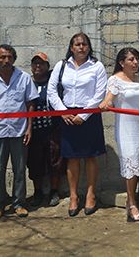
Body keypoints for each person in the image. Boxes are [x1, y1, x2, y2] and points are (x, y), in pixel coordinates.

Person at [47, 32, 107, 217]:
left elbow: (100, 93)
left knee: (90, 157)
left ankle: (90, 194)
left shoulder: (97, 66)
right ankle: (73, 196)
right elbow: (51, 90)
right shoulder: (62, 65)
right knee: (72, 158)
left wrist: (84, 115)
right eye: (77, 44)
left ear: (89, 47)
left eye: (84, 44)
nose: (81, 47)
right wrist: (63, 111)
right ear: (71, 47)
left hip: (89, 116)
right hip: (67, 115)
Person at [0, 44, 39, 220]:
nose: (6, 60)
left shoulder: (24, 78)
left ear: (14, 59)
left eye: (10, 57)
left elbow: (30, 104)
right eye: (2, 57)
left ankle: (19, 203)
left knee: (19, 169)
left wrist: (29, 128)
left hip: (19, 131)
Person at [100, 47, 139, 222]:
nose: (135, 62)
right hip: (126, 129)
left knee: (136, 167)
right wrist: (105, 103)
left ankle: (130, 200)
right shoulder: (115, 80)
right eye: (131, 59)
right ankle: (132, 204)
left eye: (136, 59)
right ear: (122, 63)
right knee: (130, 164)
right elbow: (109, 98)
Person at [28, 52, 63, 208]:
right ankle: (38, 192)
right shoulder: (27, 83)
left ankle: (54, 191)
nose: (38, 66)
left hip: (52, 129)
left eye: (41, 63)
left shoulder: (53, 83)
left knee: (55, 161)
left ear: (47, 67)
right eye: (35, 63)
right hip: (33, 131)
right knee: (35, 163)